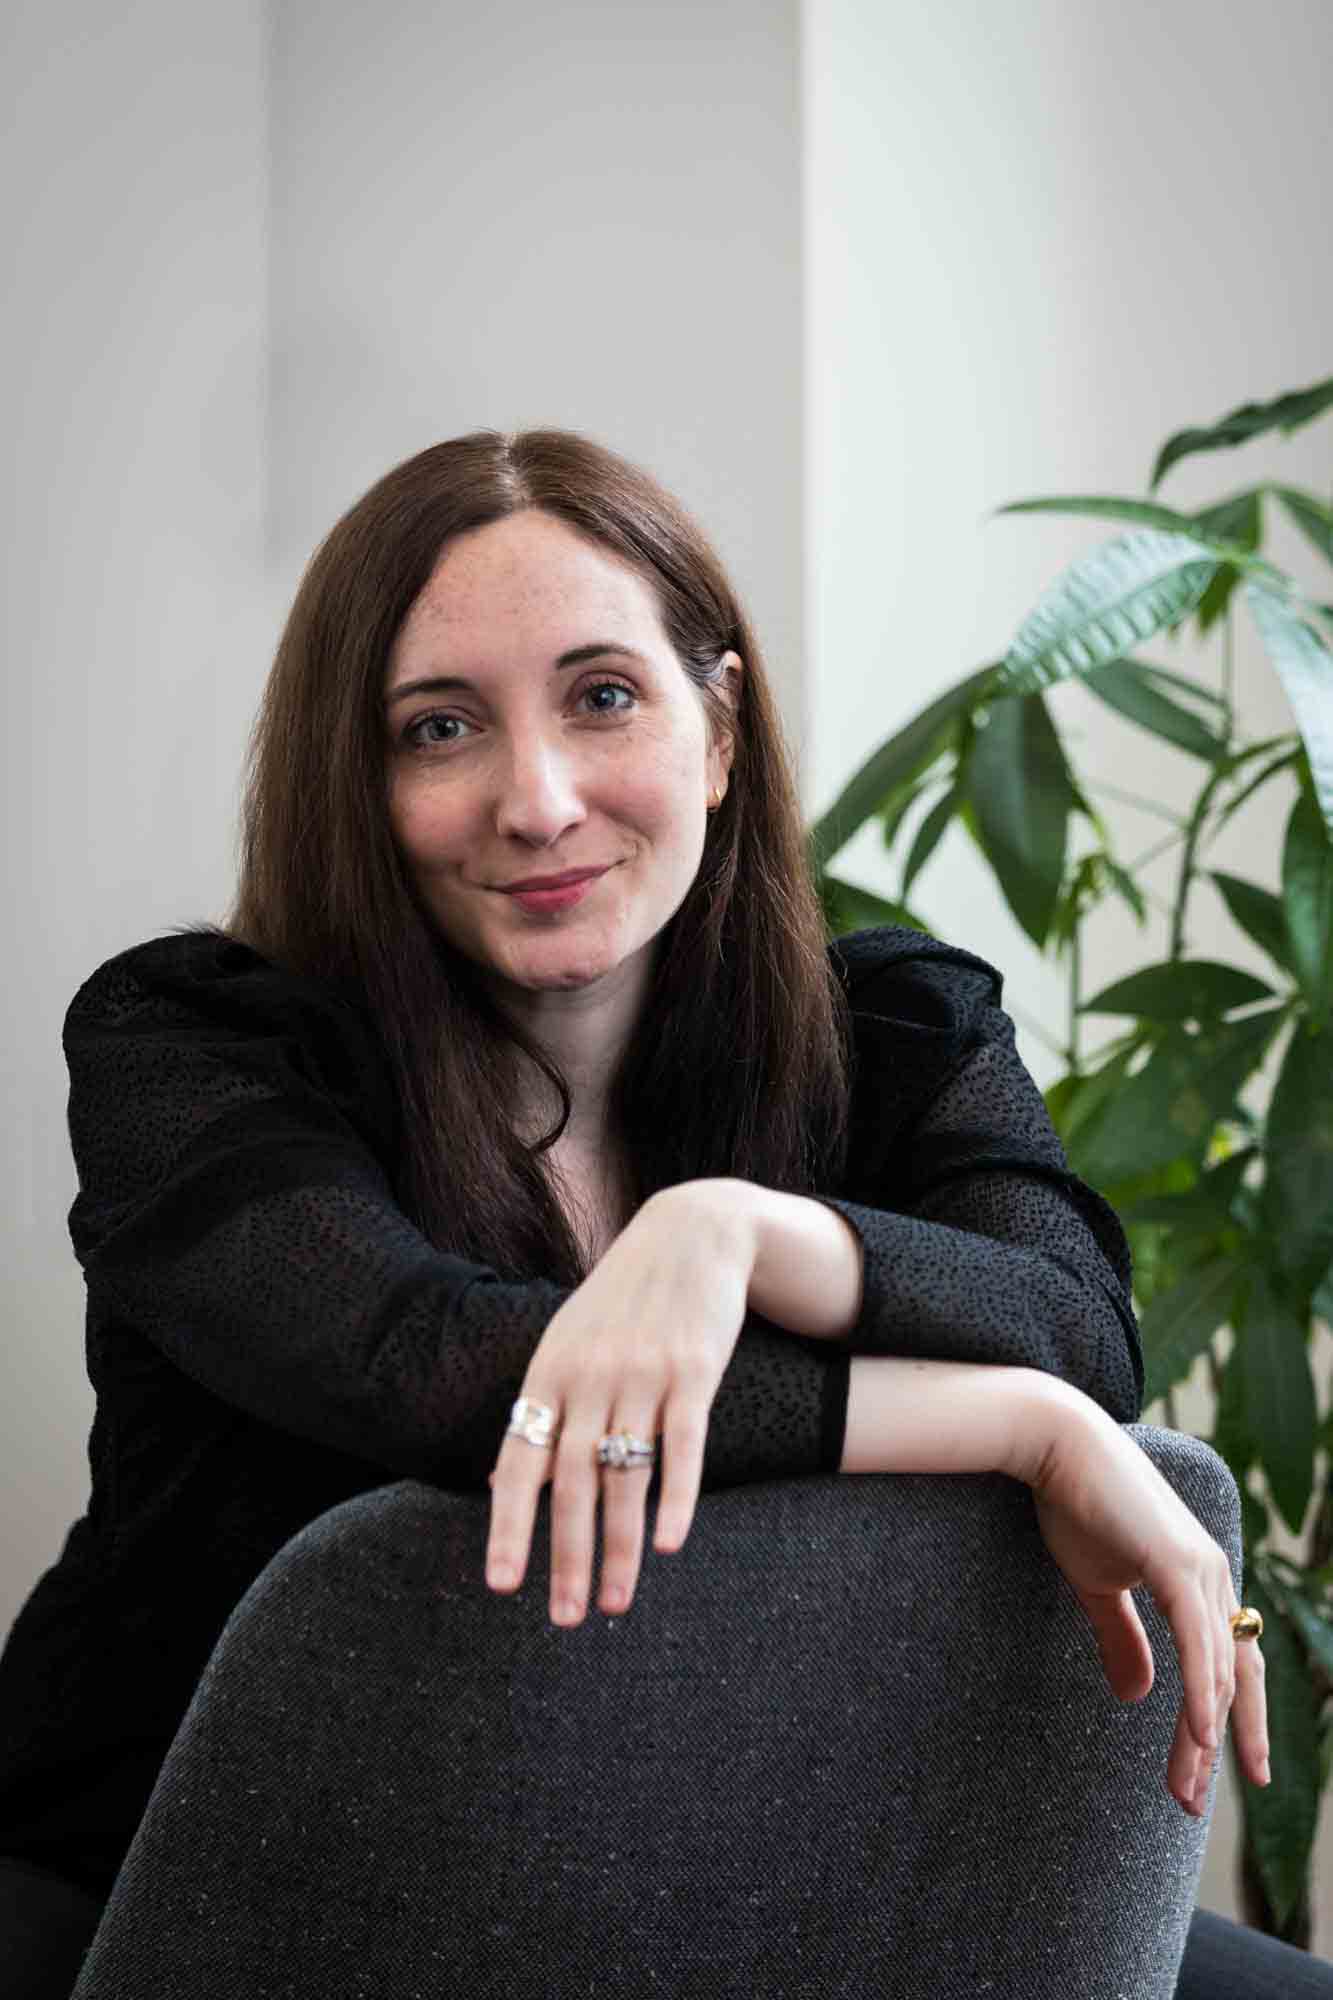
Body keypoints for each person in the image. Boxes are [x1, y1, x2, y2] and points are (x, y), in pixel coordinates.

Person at [0, 428, 1318, 1998]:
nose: (537, 799)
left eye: (603, 695)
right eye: (438, 729)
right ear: (358, 784)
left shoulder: (892, 1016)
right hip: (200, 1902)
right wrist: (1020, 1431)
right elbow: (435, 1373)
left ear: (715, 728)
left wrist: (739, 1232)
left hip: (729, 1868)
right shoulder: (188, 1046)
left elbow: (1068, 1317)